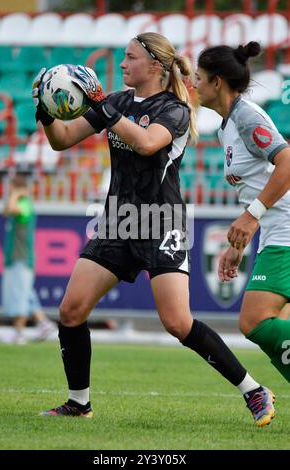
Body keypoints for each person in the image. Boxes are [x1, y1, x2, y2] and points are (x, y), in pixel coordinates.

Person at [33, 32, 274, 426]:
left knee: (178, 323)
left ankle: (254, 390)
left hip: (162, 224)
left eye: (129, 58)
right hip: (117, 222)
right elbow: (62, 141)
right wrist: (44, 109)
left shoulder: (175, 109)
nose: (123, 64)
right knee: (71, 310)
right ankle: (79, 403)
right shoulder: (117, 101)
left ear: (155, 66)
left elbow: (146, 143)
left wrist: (102, 108)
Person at [195, 41, 290, 383]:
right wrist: (237, 247)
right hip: (276, 228)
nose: (194, 83)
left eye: (199, 77)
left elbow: (287, 162)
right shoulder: (227, 126)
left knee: (254, 321)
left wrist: (251, 216)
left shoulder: (247, 116)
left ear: (217, 82)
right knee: (279, 319)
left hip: (285, 228)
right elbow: (254, 186)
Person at [1, 173, 56, 344]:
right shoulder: (21, 202)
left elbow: (9, 209)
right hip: (17, 257)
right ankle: (44, 324)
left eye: (11, 187)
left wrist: (17, 194)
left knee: (20, 296)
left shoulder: (23, 204)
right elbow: (5, 211)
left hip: (21, 257)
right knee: (26, 295)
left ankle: (19, 333)